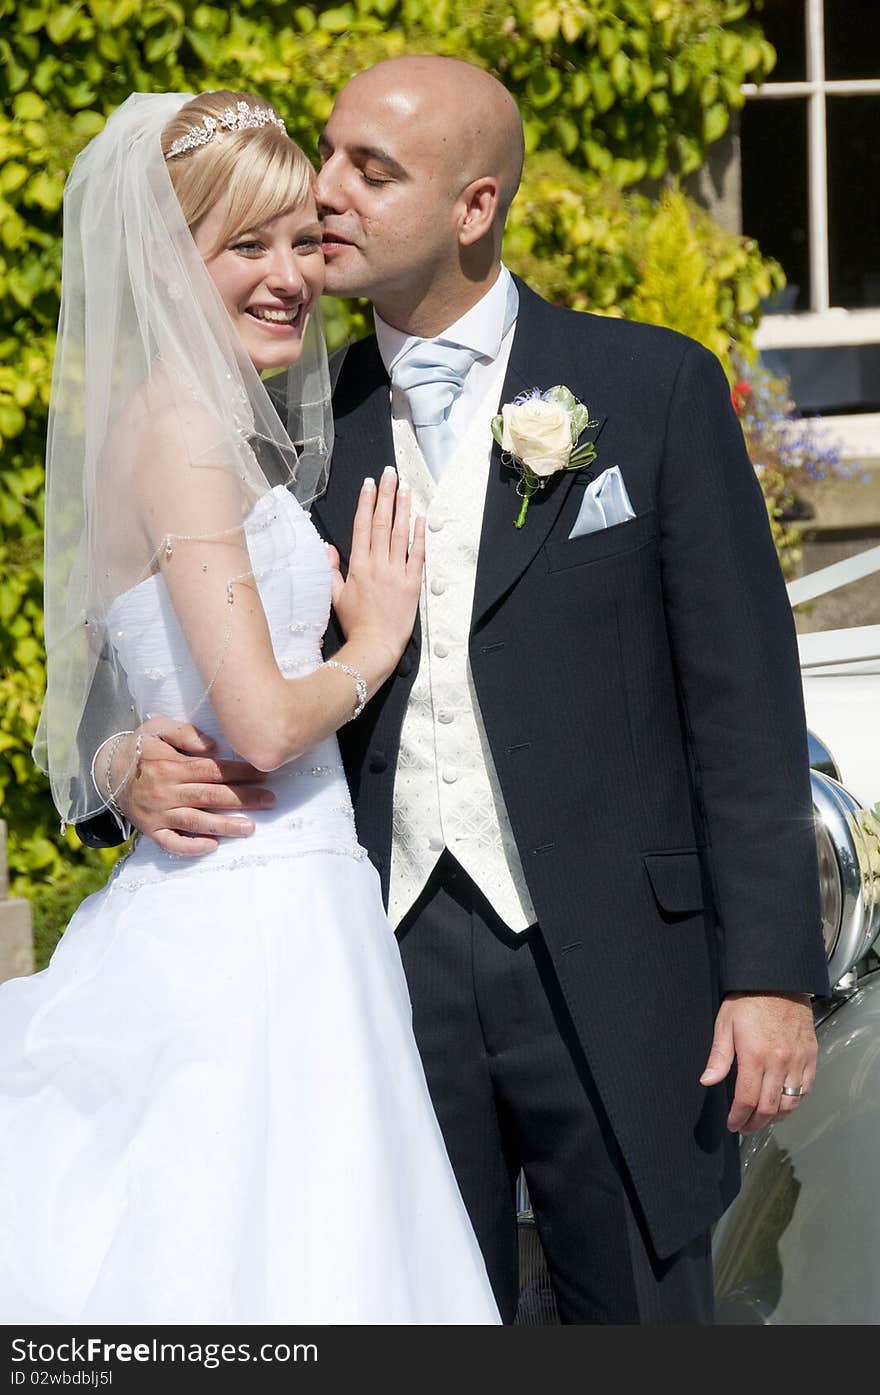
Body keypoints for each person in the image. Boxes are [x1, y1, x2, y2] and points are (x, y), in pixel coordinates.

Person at [90, 59, 830, 1325]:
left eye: (369, 171)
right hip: (368, 967)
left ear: (473, 205)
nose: (324, 195)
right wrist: (121, 767)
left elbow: (745, 709)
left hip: (617, 968)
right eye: (325, 154)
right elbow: (125, 662)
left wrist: (771, 976)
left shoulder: (649, 389)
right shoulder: (283, 432)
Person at [0, 88, 501, 1324]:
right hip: (254, 927)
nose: (290, 276)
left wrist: (120, 748)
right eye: (246, 247)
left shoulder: (215, 421)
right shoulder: (180, 431)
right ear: (170, 262)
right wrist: (375, 639)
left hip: (298, 907)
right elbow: (267, 728)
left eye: (298, 242)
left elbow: (120, 670)